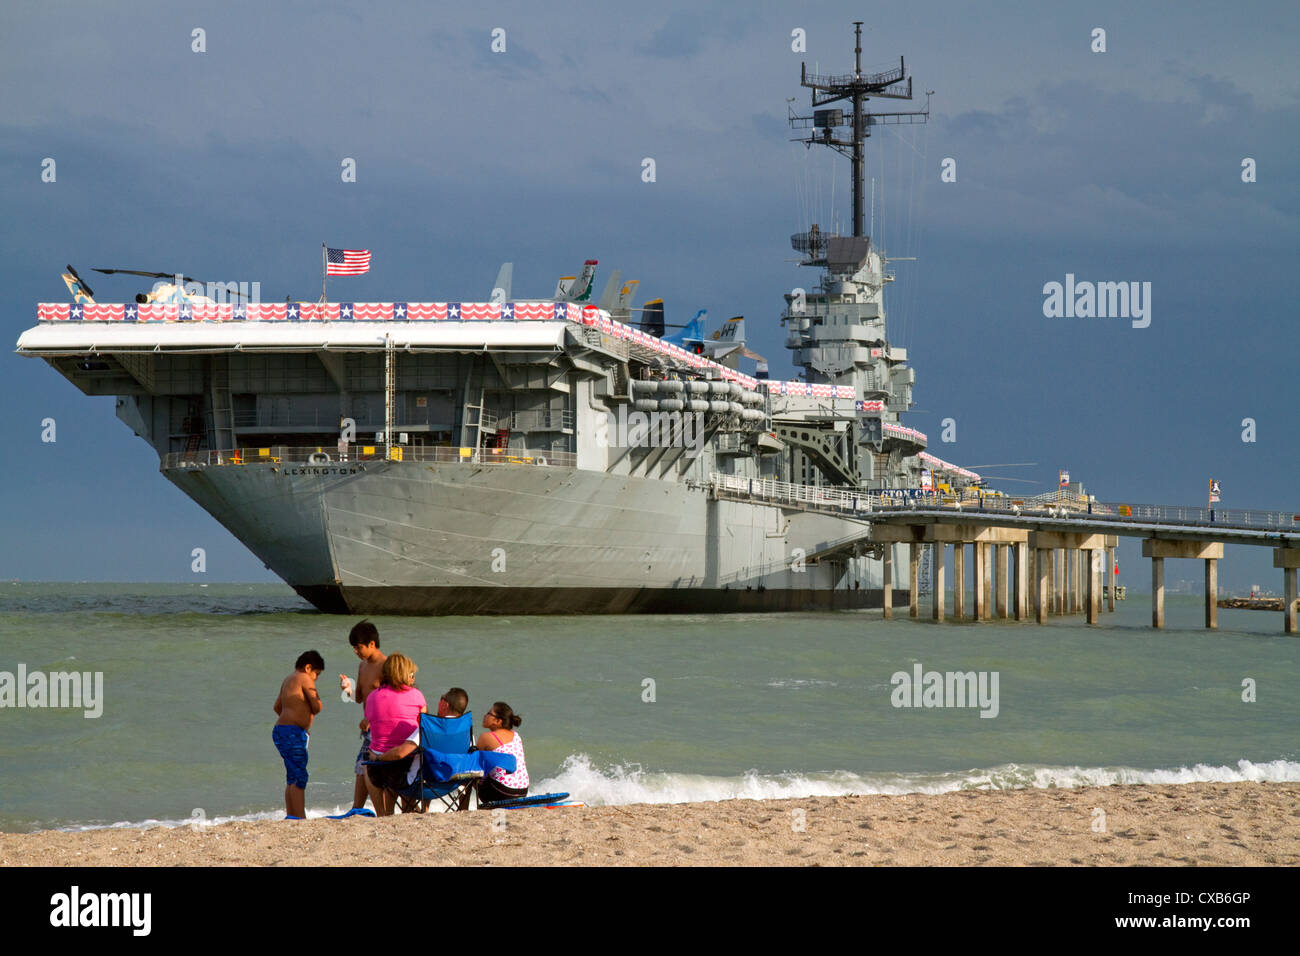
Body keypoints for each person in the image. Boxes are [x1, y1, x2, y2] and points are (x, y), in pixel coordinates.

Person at [362, 653, 427, 815]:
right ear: (405, 674)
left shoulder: (372, 697)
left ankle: (382, 813)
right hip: (405, 769)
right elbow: (423, 726)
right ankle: (407, 807)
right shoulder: (417, 696)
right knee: (415, 752)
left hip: (378, 771)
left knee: (367, 761)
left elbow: (370, 721)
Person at [339, 620, 386, 817]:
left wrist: (372, 718)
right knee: (362, 766)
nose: (356, 652)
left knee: (365, 766)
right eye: (354, 648)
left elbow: (391, 698)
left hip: (382, 727)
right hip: (368, 729)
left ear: (372, 644)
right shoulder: (362, 666)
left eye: (359, 647)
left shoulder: (387, 666)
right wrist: (347, 689)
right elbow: (359, 698)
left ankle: (360, 809)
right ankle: (356, 809)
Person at [272, 650, 325, 820]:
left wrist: (294, 717)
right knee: (300, 776)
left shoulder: (288, 679)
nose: (316, 678)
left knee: (292, 775)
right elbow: (317, 707)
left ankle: (291, 815)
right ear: (308, 668)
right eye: (317, 674)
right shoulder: (304, 678)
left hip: (282, 731)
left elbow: (277, 707)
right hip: (292, 733)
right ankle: (300, 817)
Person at [475, 701, 529, 806]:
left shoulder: (486, 737)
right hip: (522, 791)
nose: (485, 715)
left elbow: (475, 764)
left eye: (489, 713)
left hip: (502, 792)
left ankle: (463, 808)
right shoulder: (516, 735)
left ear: (498, 721)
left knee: (471, 772)